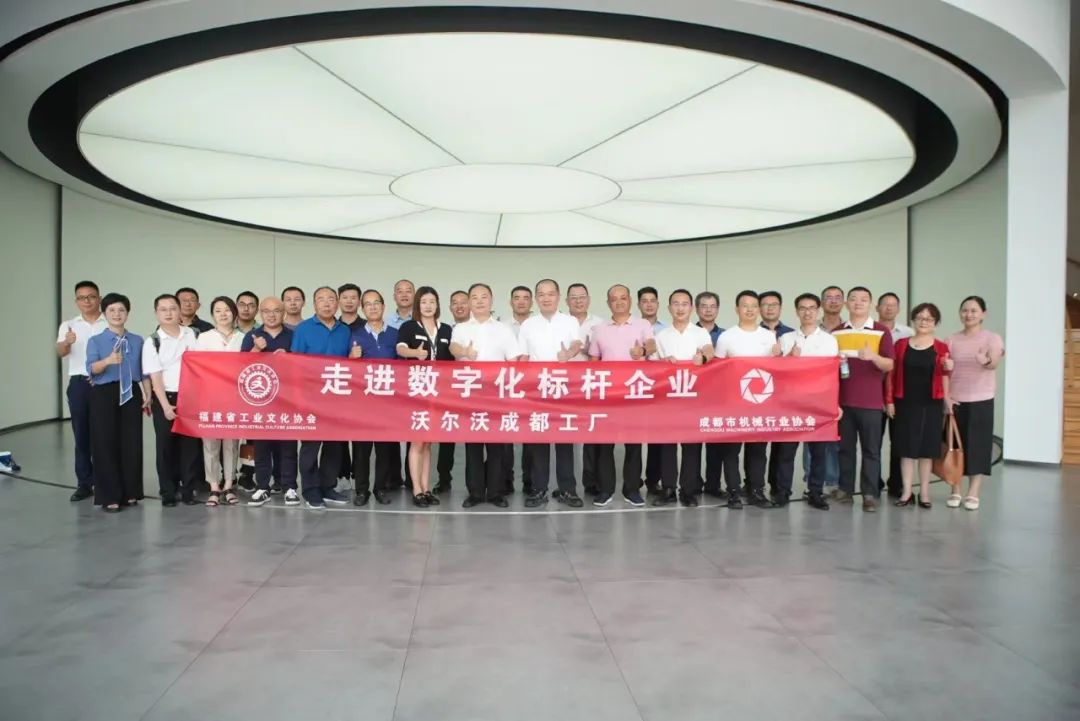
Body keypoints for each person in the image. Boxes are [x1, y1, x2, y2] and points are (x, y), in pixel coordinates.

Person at [450, 282, 521, 508]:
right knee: (472, 446)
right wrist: (465, 352)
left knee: (496, 447)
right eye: (474, 297)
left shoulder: (503, 329)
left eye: (484, 297)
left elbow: (513, 360)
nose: (479, 301)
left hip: (496, 395)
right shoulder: (461, 328)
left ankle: (496, 492)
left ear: (491, 300)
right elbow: (453, 348)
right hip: (470, 394)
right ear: (469, 302)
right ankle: (475, 493)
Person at [518, 279, 584, 508]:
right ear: (536, 298)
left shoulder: (569, 320)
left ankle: (567, 490)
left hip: (563, 387)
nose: (546, 298)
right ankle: (539, 490)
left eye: (550, 294)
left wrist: (569, 353)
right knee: (539, 440)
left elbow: (577, 343)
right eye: (541, 294)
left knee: (565, 441)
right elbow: (523, 356)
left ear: (558, 296)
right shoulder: (528, 324)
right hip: (536, 388)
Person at [588, 284, 656, 508]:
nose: (619, 302)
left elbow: (652, 345)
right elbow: (594, 360)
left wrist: (642, 351)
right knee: (604, 445)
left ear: (630, 301)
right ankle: (605, 489)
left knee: (633, 444)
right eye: (614, 299)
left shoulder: (642, 324)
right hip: (607, 394)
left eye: (623, 298)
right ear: (608, 303)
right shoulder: (599, 329)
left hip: (634, 393)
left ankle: (632, 489)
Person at [714, 290, 781, 509]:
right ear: (737, 309)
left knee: (758, 450)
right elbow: (717, 371)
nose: (750, 310)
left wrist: (779, 357)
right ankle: (733, 492)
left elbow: (775, 370)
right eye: (745, 305)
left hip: (760, 402)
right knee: (731, 450)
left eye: (754, 306)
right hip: (733, 402)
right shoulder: (726, 337)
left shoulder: (768, 336)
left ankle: (756, 491)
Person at [832, 286, 895, 512]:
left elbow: (890, 364)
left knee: (871, 450)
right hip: (843, 402)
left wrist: (873, 357)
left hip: (871, 403)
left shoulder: (881, 331)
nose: (858, 303)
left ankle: (869, 494)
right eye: (853, 299)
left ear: (870, 304)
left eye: (863, 299)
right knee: (844, 449)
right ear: (846, 304)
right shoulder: (836, 332)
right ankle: (845, 489)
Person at [85, 292, 149, 512]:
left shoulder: (137, 340)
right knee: (104, 443)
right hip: (104, 393)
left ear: (127, 314)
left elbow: (144, 371)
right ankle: (109, 495)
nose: (117, 314)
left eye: (121, 310)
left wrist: (148, 395)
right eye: (111, 310)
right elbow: (91, 369)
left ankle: (131, 491)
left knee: (131, 442)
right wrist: (108, 360)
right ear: (104, 314)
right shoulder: (96, 341)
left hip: (131, 393)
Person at [291, 286, 352, 509]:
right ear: (314, 304)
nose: (327, 303)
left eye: (331, 299)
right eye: (321, 299)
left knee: (334, 446)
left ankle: (328, 487)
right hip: (310, 398)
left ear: (337, 303)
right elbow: (295, 364)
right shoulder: (304, 329)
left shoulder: (344, 330)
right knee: (310, 447)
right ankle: (310, 490)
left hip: (337, 398)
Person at [886, 303, 952, 509]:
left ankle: (924, 492)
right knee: (906, 449)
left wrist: (947, 399)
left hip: (931, 404)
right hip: (905, 403)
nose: (924, 322)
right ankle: (906, 492)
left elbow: (945, 375)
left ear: (936, 323)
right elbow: (891, 375)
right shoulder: (901, 345)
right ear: (913, 320)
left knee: (926, 450)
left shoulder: (941, 347)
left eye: (929, 319)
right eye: (920, 318)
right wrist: (889, 401)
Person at [651, 289, 713, 507]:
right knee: (667, 445)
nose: (680, 308)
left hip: (693, 398)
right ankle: (668, 488)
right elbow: (653, 365)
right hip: (667, 398)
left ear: (691, 308)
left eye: (684, 304)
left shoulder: (700, 333)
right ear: (669, 308)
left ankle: (689, 490)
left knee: (691, 446)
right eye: (675, 304)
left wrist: (703, 358)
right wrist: (663, 362)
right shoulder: (661, 335)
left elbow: (709, 351)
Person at [779, 293, 840, 510]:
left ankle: (815, 492)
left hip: (818, 403)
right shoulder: (786, 339)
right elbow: (777, 373)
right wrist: (788, 359)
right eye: (803, 308)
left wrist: (835, 404)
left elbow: (833, 374)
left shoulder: (829, 340)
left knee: (818, 452)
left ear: (818, 310)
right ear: (797, 311)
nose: (807, 312)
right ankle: (783, 492)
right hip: (790, 403)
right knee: (786, 451)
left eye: (812, 308)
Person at [946, 296, 1004, 511]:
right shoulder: (951, 339)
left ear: (983, 314)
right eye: (965, 310)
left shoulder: (992, 338)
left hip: (982, 399)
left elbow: (994, 363)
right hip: (955, 400)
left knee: (978, 447)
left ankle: (973, 493)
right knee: (955, 447)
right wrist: (946, 397)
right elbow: (944, 372)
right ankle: (955, 489)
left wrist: (985, 361)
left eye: (973, 310)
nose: (968, 314)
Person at [143, 294, 201, 507]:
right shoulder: (153, 341)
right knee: (166, 445)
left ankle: (188, 489)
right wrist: (165, 406)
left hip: (191, 396)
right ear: (156, 313)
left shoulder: (193, 334)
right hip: (165, 397)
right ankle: (168, 490)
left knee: (190, 446)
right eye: (163, 309)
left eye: (172, 308)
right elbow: (155, 377)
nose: (168, 313)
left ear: (179, 311)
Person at [397, 286, 453, 507]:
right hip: (417, 390)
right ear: (417, 305)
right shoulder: (409, 327)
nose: (428, 306)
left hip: (440, 392)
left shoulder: (446, 329)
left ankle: (426, 487)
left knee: (428, 442)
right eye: (424, 302)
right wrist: (415, 353)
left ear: (437, 304)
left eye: (432, 302)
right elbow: (400, 349)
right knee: (417, 441)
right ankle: (417, 490)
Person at [242, 297, 300, 508]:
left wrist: (289, 356)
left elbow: (304, 364)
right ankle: (262, 487)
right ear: (260, 314)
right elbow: (239, 366)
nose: (271, 315)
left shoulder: (293, 335)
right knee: (262, 446)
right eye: (267, 311)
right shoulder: (252, 336)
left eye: (276, 310)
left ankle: (289, 487)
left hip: (288, 400)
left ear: (283, 313)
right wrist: (256, 350)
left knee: (288, 446)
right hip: (260, 401)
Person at [349, 289, 401, 506]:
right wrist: (351, 357)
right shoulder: (355, 334)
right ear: (363, 309)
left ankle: (380, 487)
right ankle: (362, 490)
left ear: (383, 306)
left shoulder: (395, 334)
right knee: (362, 449)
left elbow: (403, 366)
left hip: (388, 401)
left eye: (376, 303)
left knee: (384, 448)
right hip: (363, 402)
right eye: (368, 304)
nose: (372, 307)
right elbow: (345, 368)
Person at [56, 280, 107, 501]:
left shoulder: (109, 321)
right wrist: (67, 342)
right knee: (82, 434)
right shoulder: (69, 325)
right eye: (82, 297)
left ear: (99, 299)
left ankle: (106, 482)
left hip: (105, 382)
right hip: (80, 383)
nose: (87, 301)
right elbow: (61, 353)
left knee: (106, 434)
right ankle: (84, 483)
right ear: (76, 301)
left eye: (91, 296)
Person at [195, 296, 245, 506]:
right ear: (212, 315)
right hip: (210, 397)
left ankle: (229, 485)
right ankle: (214, 486)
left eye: (227, 310)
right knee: (210, 443)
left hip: (235, 398)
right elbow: (197, 368)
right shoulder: (204, 338)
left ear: (234, 313)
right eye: (218, 310)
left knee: (231, 444)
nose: (223, 314)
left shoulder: (243, 338)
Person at [759, 290, 796, 503]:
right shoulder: (752, 333)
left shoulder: (791, 335)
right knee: (757, 445)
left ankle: (781, 488)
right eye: (765, 304)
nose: (770, 308)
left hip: (786, 397)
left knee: (784, 447)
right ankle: (754, 485)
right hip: (759, 395)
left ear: (780, 308)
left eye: (774, 304)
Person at [567, 282, 603, 494]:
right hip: (564, 384)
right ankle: (565, 483)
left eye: (582, 297)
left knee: (591, 432)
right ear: (566, 301)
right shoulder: (560, 323)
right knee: (564, 434)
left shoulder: (600, 324)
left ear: (588, 300)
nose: (578, 301)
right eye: (574, 298)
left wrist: (592, 351)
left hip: (591, 384)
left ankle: (591, 482)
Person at [876, 291, 914, 497]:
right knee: (873, 443)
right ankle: (873, 483)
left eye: (893, 305)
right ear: (877, 308)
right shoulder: (870, 331)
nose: (889, 308)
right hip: (873, 392)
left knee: (898, 441)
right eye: (885, 304)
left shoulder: (908, 333)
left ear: (898, 309)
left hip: (900, 394)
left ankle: (897, 484)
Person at [436, 289, 471, 493]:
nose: (459, 306)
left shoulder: (478, 330)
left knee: (475, 436)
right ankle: (444, 478)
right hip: (449, 392)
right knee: (446, 436)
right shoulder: (445, 331)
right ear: (449, 307)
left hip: (474, 390)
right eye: (455, 303)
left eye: (463, 302)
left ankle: (475, 482)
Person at [502, 285, 535, 495]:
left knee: (531, 435)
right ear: (510, 302)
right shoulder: (501, 326)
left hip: (533, 389)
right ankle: (505, 480)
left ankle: (530, 481)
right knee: (506, 434)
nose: (521, 301)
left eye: (525, 298)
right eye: (517, 298)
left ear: (531, 302)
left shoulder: (539, 325)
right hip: (507, 388)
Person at [695, 291, 727, 498]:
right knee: (693, 444)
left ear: (718, 309)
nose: (708, 310)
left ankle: (713, 485)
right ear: (696, 309)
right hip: (693, 395)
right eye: (704, 306)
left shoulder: (726, 335)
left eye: (712, 306)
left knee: (716, 444)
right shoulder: (689, 333)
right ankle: (692, 484)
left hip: (719, 396)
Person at [637, 286, 667, 494]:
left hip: (660, 387)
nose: (649, 304)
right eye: (644, 301)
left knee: (658, 436)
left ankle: (653, 479)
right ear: (638, 304)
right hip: (636, 386)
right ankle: (634, 479)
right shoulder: (632, 327)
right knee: (634, 436)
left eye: (652, 300)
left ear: (658, 304)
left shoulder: (667, 330)